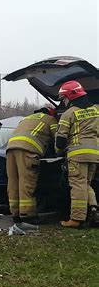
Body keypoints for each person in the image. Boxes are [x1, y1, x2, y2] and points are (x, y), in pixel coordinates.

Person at [55, 80, 99, 228]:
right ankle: (93, 209)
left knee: (77, 185)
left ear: (71, 97)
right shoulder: (96, 110)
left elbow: (60, 141)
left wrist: (59, 152)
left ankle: (76, 219)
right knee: (86, 183)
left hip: (77, 153)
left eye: (64, 99)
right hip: (95, 153)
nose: (64, 102)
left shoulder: (69, 113)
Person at [6, 107, 58, 224]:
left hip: (10, 149)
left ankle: (15, 213)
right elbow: (57, 138)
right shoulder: (50, 119)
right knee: (27, 182)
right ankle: (27, 215)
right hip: (27, 150)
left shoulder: (25, 119)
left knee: (13, 182)